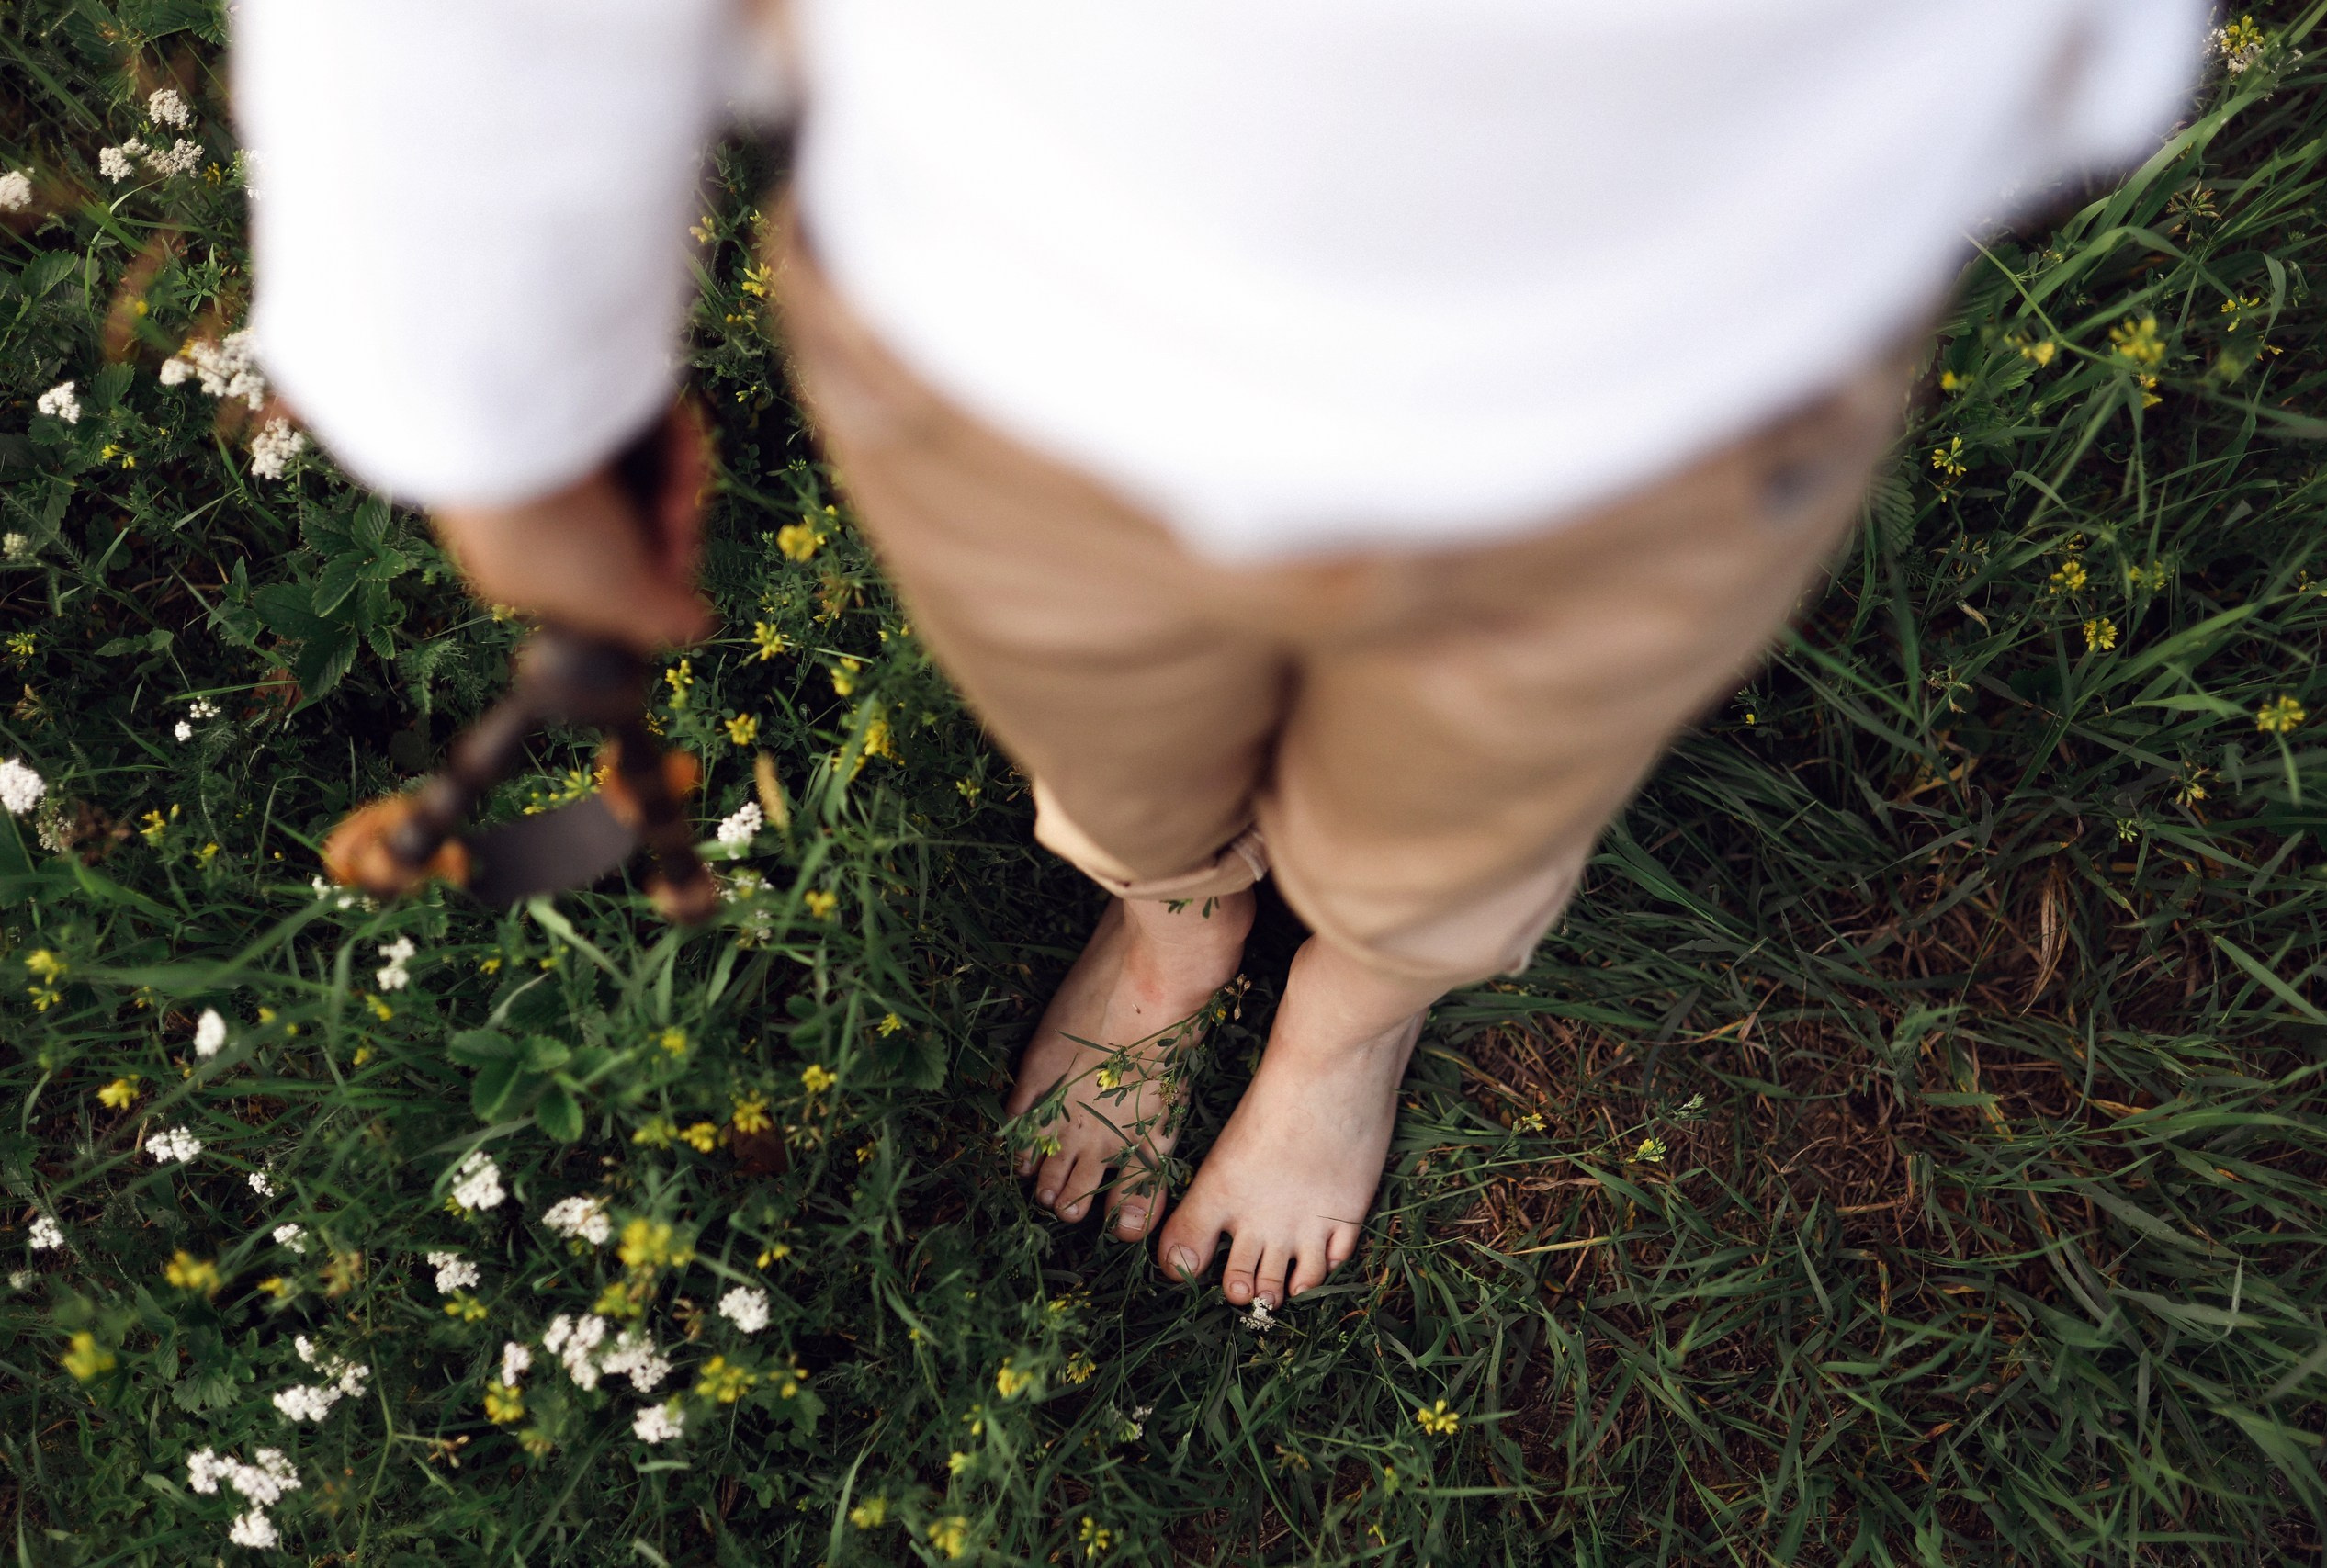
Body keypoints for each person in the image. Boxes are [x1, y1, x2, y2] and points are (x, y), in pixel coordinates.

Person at [234, 0, 2206, 1310]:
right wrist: (484, 388)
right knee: (1106, 722)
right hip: (1021, 335)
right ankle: (1173, 906)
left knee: (1474, 801)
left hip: (1659, 397)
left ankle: (1357, 999)